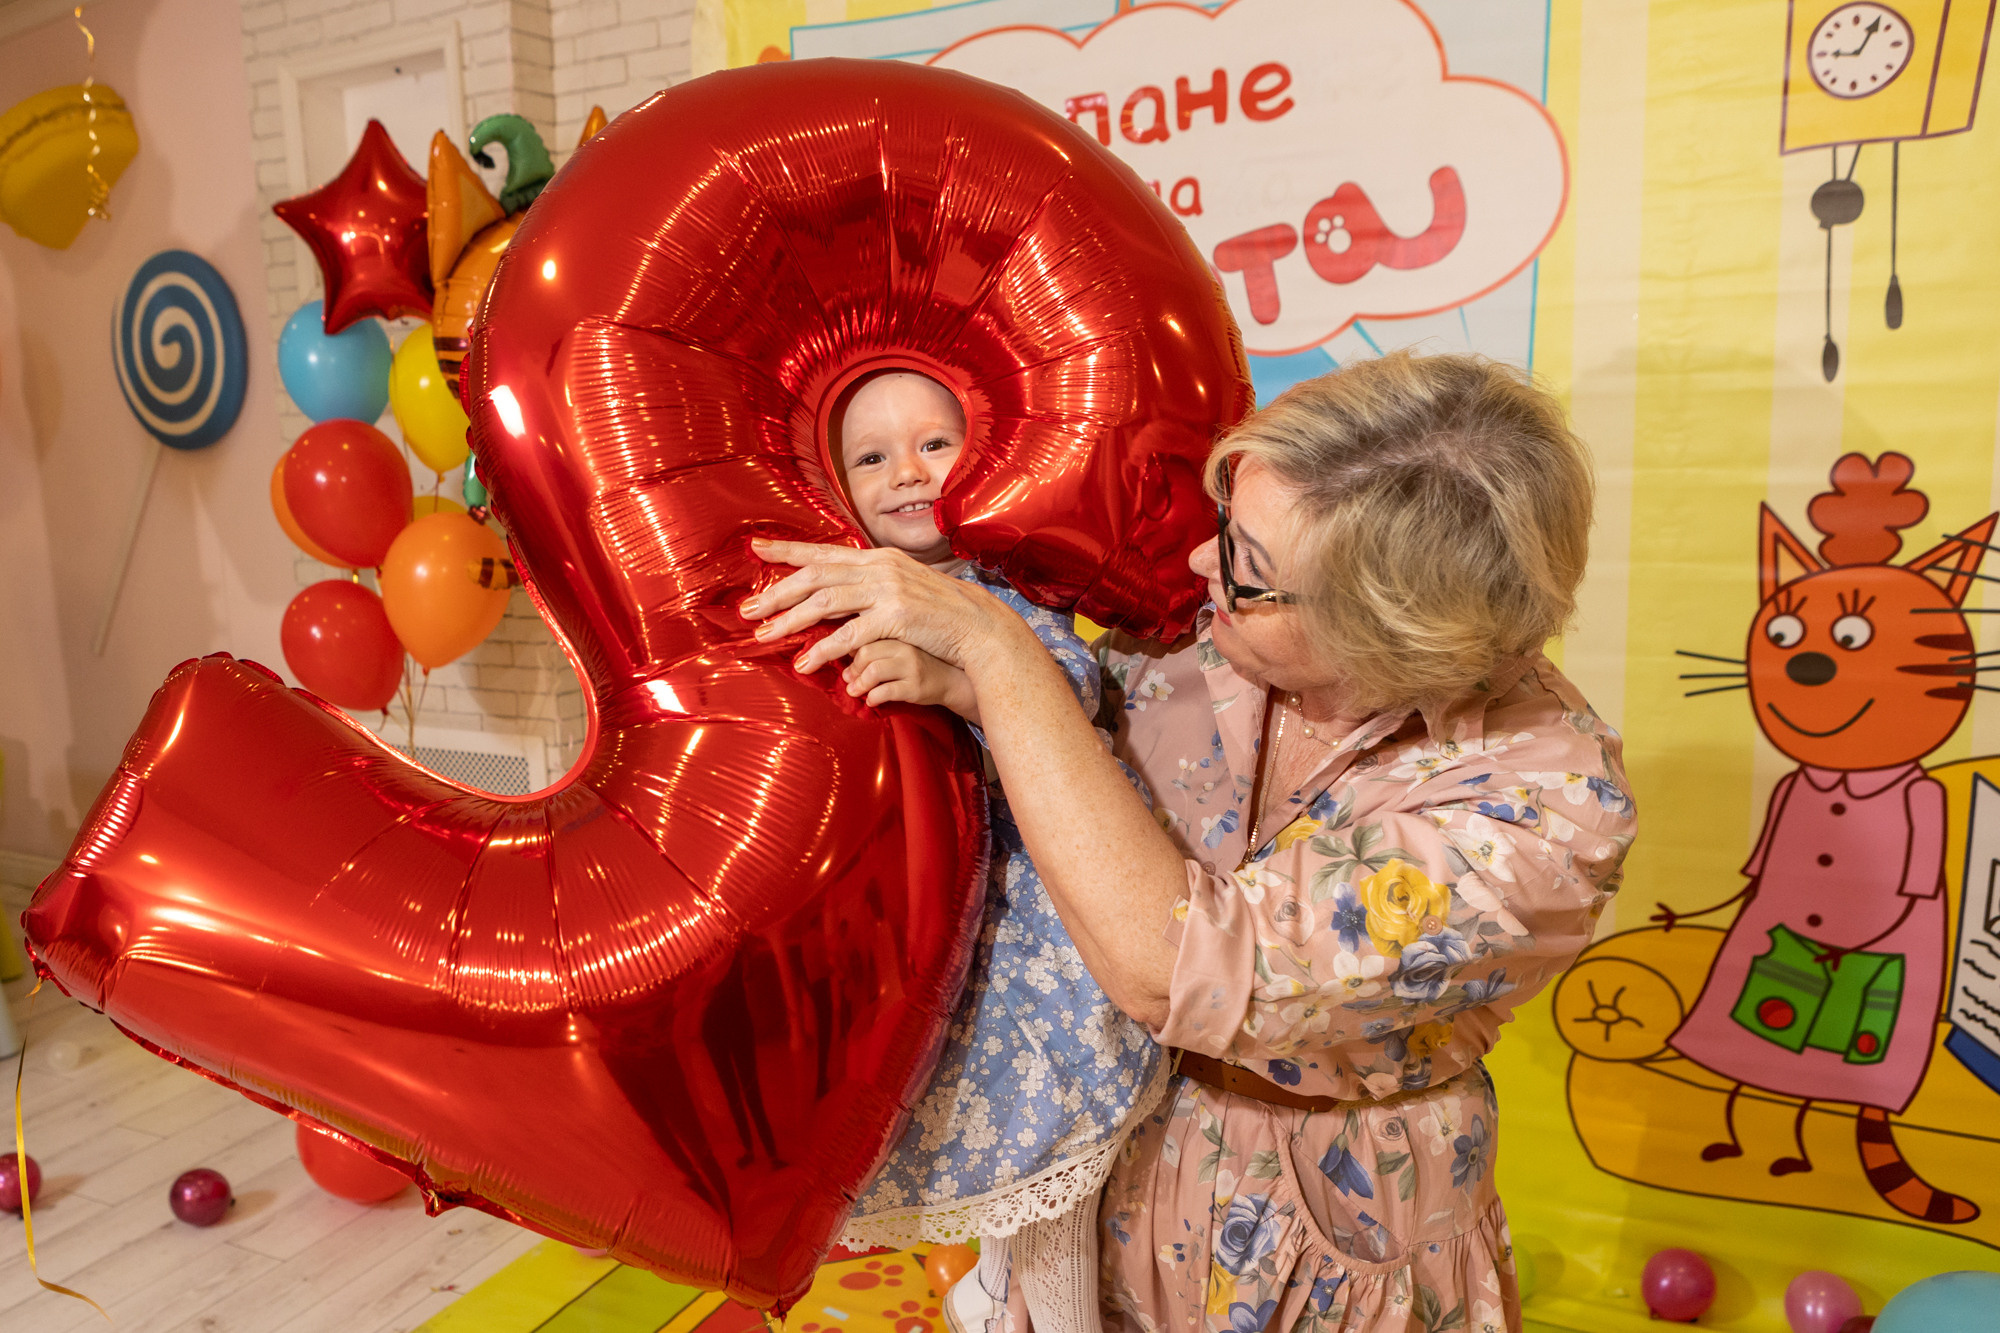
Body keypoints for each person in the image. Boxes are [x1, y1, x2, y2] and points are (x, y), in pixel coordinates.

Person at [744, 351, 1635, 1332]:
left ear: (1384, 630)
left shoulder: (1541, 808)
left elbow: (1177, 969)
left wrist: (998, 658)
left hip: (1319, 1245)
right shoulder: (1190, 624)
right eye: (1224, 517)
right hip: (1098, 1178)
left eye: (1248, 567)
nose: (1205, 563)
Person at [821, 370, 1168, 1333]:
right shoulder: (852, 587)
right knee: (1013, 1148)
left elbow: (1069, 685)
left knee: (1053, 1159)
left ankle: (1037, 1311)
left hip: (1040, 922)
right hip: (942, 929)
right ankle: (996, 1291)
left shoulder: (1001, 582)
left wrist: (952, 678)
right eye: (872, 457)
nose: (906, 472)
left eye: (934, 445)